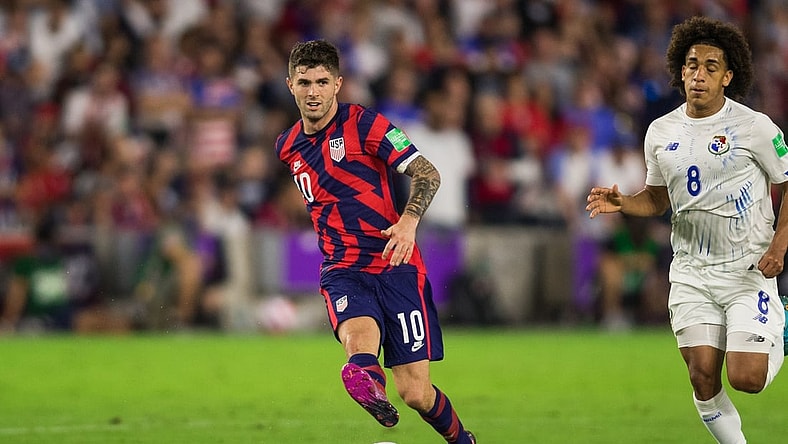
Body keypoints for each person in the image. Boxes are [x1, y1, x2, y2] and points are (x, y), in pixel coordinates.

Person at [586, 16, 788, 443]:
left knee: (746, 378)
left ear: (728, 77)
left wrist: (780, 243)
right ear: (680, 70)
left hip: (746, 270)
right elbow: (658, 199)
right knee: (702, 376)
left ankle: (780, 324)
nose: (699, 74)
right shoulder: (661, 132)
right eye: (692, 64)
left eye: (711, 67)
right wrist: (624, 203)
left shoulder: (755, 127)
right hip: (692, 272)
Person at [276, 40, 476, 443]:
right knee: (358, 344)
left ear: (337, 84)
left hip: (396, 263)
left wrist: (408, 222)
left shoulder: (366, 124)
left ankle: (461, 440)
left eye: (321, 82)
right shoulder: (287, 146)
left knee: (416, 392)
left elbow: (427, 173)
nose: (312, 92)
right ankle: (365, 379)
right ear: (290, 85)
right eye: (304, 83)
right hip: (343, 268)